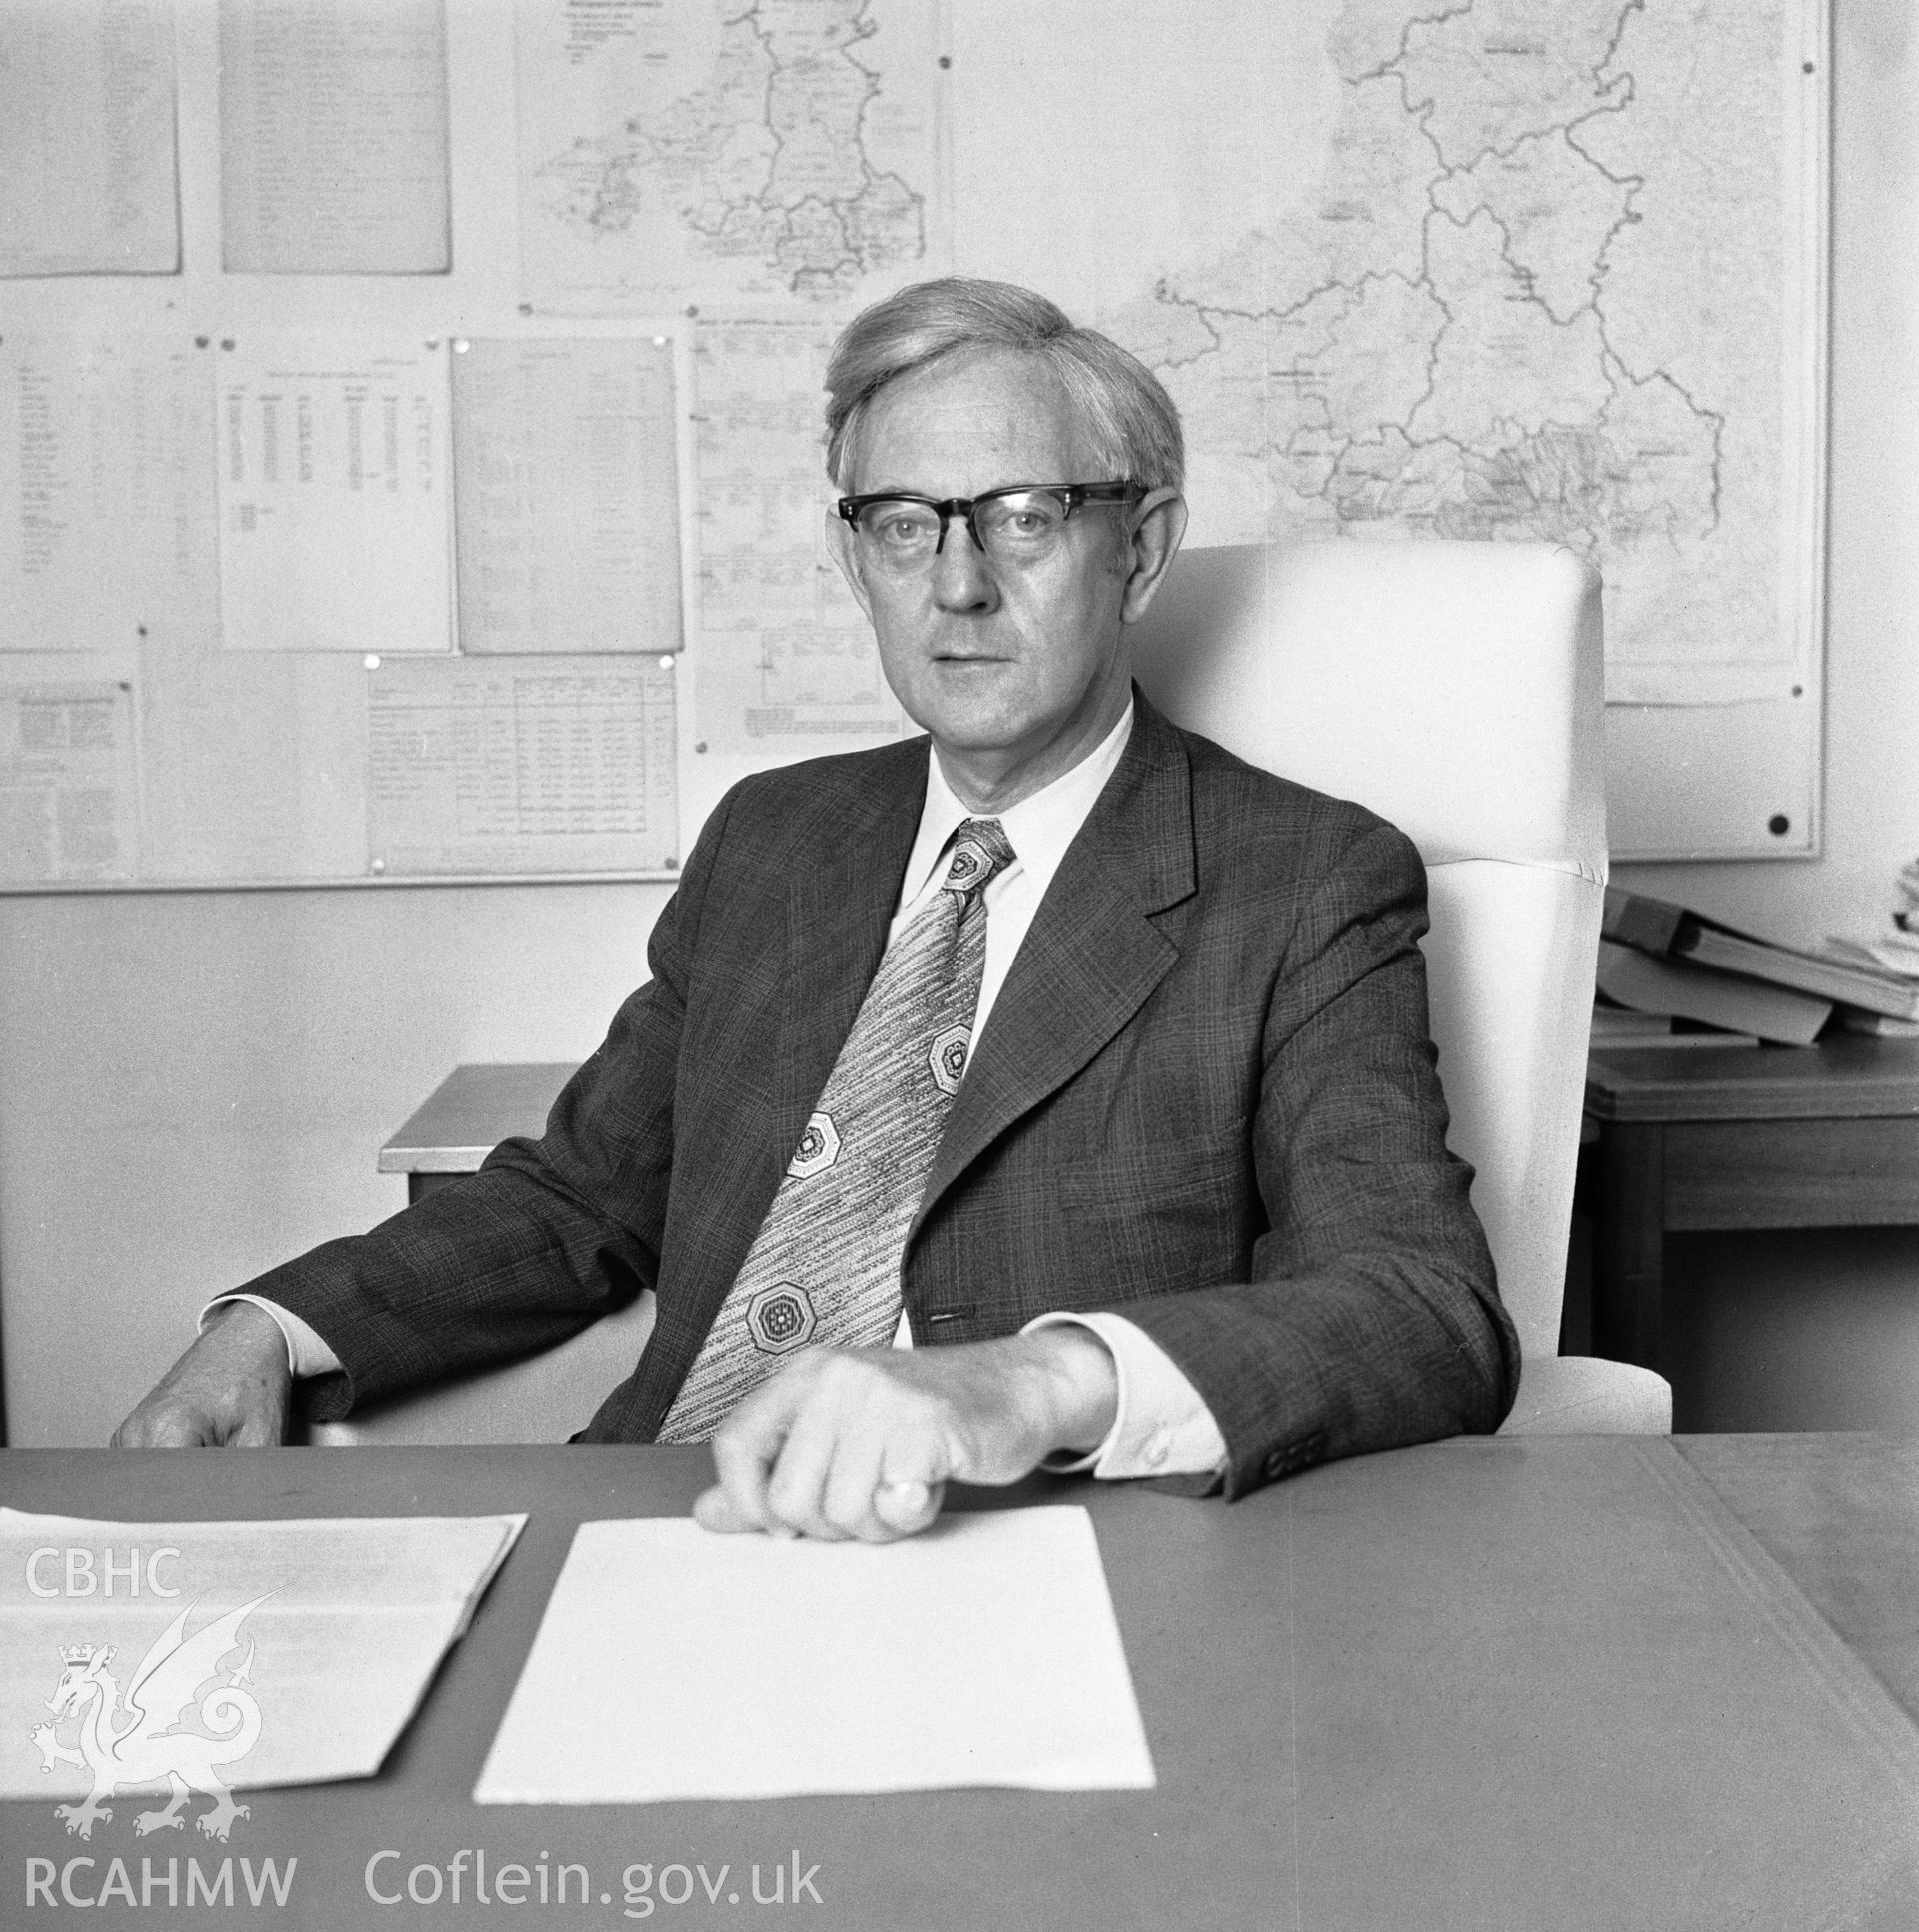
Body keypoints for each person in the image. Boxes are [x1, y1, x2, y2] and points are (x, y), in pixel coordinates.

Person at [115, 277, 1518, 1537]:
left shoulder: (1304, 880)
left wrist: (1036, 1377)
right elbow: (582, 1194)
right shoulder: (775, 841)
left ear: (1139, 550)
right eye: (905, 525)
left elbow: (1422, 1308)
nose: (958, 583)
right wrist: (270, 1324)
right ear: (856, 558)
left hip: (1012, 1567)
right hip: (668, 1521)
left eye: (1024, 519)